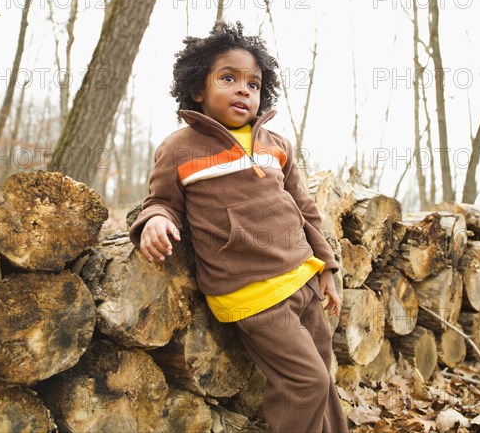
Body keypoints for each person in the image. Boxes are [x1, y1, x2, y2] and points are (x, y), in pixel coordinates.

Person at [129, 22, 349, 433]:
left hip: (302, 278)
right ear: (198, 88)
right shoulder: (180, 147)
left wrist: (327, 268)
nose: (244, 90)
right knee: (306, 382)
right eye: (228, 78)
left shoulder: (276, 144)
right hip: (254, 292)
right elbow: (161, 200)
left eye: (254, 83)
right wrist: (155, 221)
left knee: (324, 375)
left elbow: (305, 210)